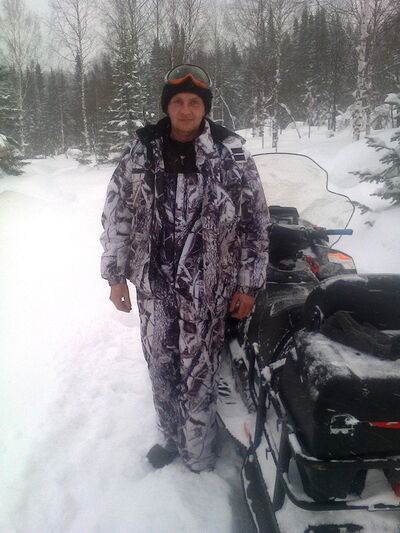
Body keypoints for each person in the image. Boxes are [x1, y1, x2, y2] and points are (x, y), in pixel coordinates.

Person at [100, 64, 269, 472]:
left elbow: (254, 222)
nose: (186, 109)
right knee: (161, 365)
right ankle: (170, 437)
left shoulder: (231, 153)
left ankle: (198, 453)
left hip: (208, 286)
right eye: (178, 101)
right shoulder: (141, 152)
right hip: (153, 285)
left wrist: (248, 284)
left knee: (199, 370)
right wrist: (116, 277)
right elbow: (117, 214)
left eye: (194, 102)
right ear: (167, 106)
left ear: (205, 107)